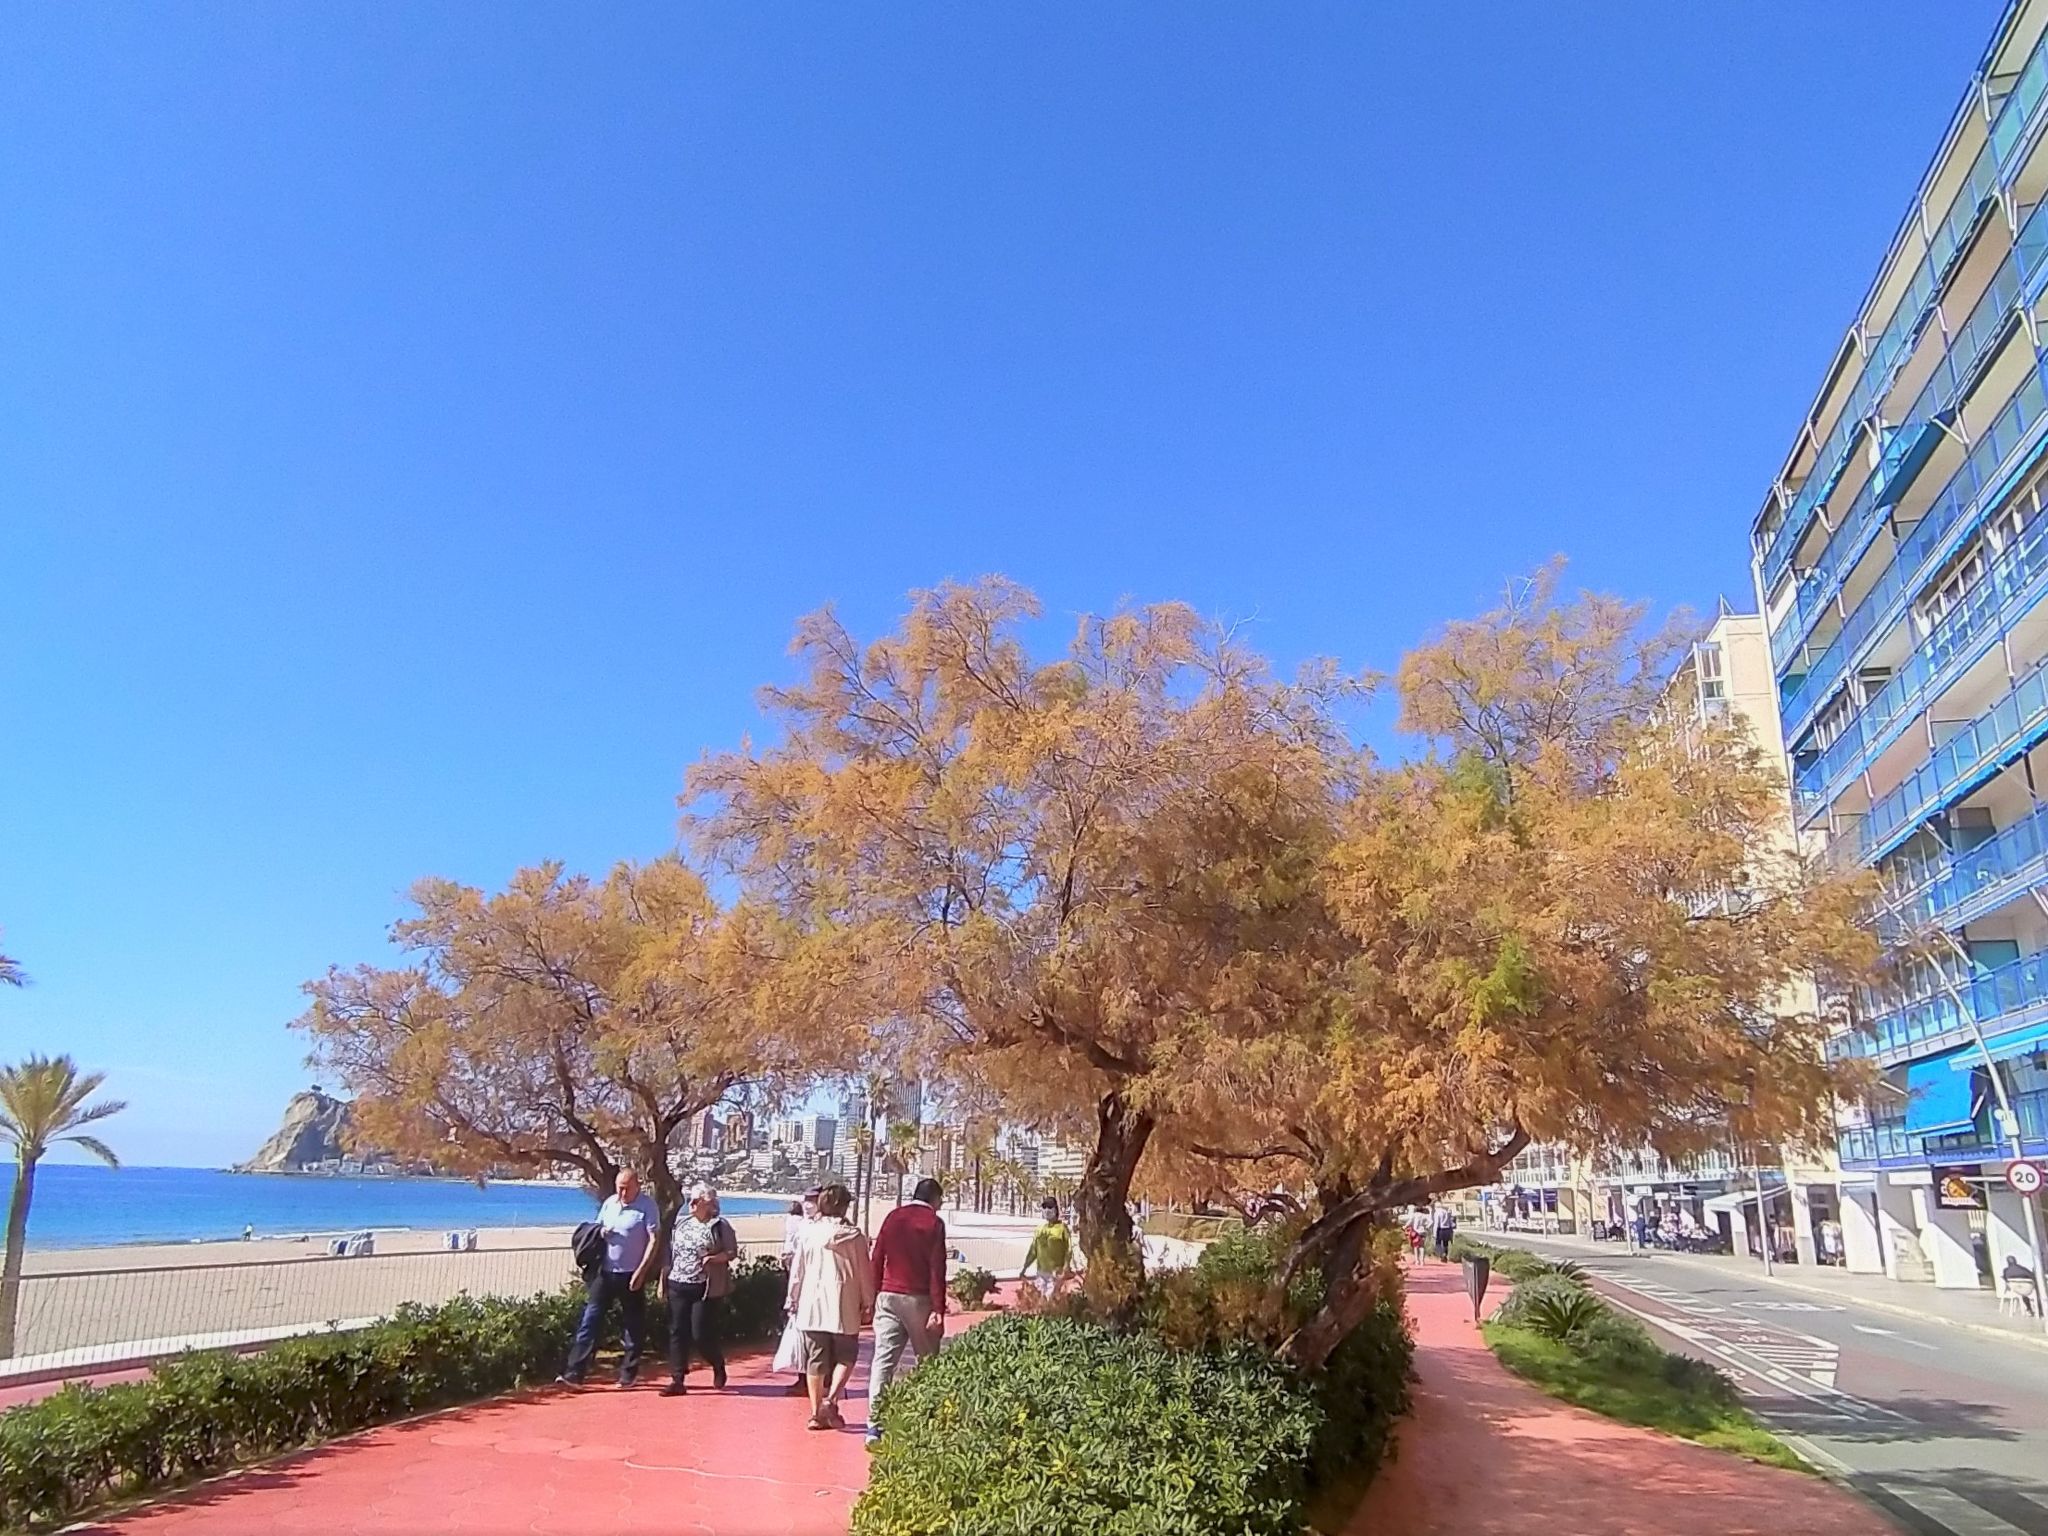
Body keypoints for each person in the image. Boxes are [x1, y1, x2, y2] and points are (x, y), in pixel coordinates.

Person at [559, 1167, 660, 1388]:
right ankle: (574, 1373)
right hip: (605, 1273)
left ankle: (628, 1373)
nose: (622, 1193)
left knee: (633, 1325)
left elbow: (654, 1239)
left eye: (627, 1188)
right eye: (619, 1188)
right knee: (590, 1320)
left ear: (637, 1186)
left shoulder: (647, 1206)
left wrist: (642, 1271)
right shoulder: (610, 1203)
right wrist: (602, 1232)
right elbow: (596, 1228)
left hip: (631, 1274)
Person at [786, 1182, 874, 1431]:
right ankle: (831, 1399)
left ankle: (815, 1413)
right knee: (847, 1355)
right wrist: (868, 1301)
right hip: (844, 1303)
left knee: (816, 1358)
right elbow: (864, 1272)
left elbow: (797, 1271)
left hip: (811, 1304)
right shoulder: (855, 1237)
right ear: (844, 1207)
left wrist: (792, 1298)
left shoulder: (808, 1234)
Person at [867, 1177, 948, 1445]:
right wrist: (938, 1308)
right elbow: (937, 1268)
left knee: (883, 1360)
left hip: (888, 1296)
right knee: (928, 1361)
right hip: (918, 1299)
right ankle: (927, 1417)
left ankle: (874, 1426)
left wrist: (872, 1295)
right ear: (934, 1199)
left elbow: (877, 1257)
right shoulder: (934, 1223)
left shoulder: (894, 1216)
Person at [661, 1182, 738, 1396]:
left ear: (709, 1203)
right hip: (678, 1282)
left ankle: (717, 1363)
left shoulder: (719, 1226)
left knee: (700, 1334)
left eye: (697, 1201)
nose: (691, 1204)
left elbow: (731, 1252)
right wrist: (664, 1279)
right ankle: (677, 1380)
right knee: (677, 1330)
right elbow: (671, 1254)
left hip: (704, 1287)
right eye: (690, 1200)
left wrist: (714, 1258)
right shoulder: (683, 1224)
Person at [1022, 1198, 1074, 1298]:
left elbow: (1069, 1249)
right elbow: (1033, 1251)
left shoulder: (1062, 1228)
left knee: (1051, 1299)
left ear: (1055, 1209)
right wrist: (1024, 1268)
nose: (1047, 1210)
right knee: (1040, 1299)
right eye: (1044, 1207)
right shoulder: (1040, 1229)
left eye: (1050, 1207)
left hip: (1056, 1272)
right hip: (1041, 1272)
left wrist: (1066, 1267)